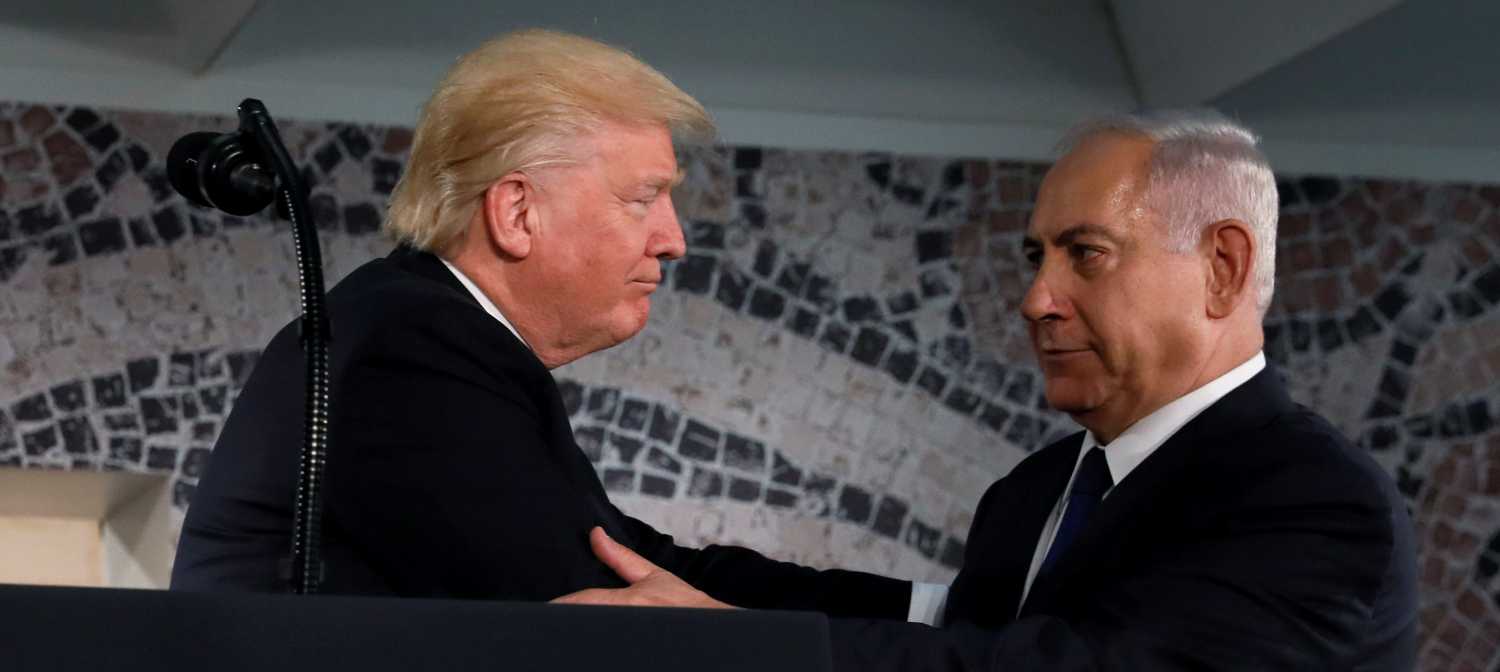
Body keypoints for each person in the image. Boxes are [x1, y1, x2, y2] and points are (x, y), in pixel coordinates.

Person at [557, 110, 1419, 671]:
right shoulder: (1034, 493)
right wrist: (661, 569)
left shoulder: (1315, 501)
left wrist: (731, 647)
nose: (1036, 298)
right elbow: (947, 634)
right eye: (1034, 256)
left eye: (1085, 253)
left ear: (1223, 268)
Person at [169, 29, 911, 618]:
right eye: (642, 198)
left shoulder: (421, 325)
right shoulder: (412, 348)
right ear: (518, 212)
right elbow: (603, 612)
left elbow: (641, 563)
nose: (674, 238)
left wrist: (926, 610)